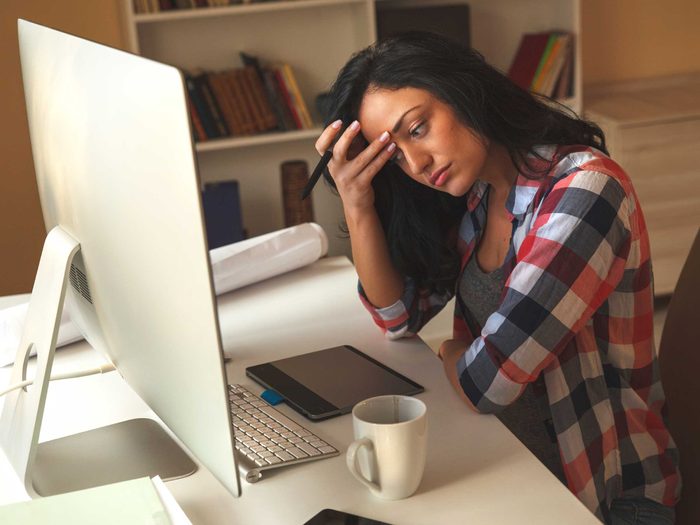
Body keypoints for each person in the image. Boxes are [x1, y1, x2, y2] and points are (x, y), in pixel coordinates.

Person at [314, 32, 680, 524]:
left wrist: (449, 350)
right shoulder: (477, 197)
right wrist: (357, 204)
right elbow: (397, 316)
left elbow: (485, 383)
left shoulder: (586, 190)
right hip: (504, 454)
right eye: (395, 155)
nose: (416, 164)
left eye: (418, 128)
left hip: (606, 495)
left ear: (464, 91)